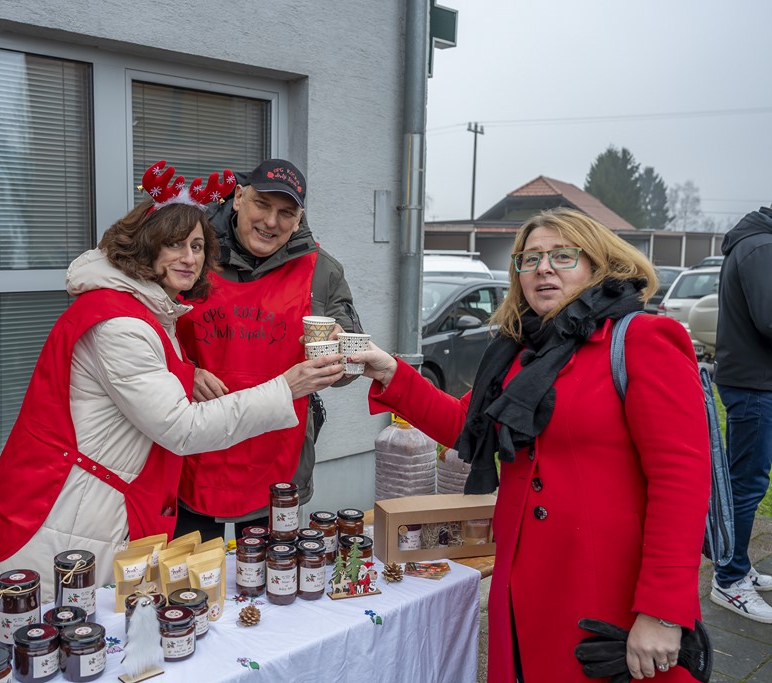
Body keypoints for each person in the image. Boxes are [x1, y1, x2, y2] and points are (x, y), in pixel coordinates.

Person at [0, 161, 344, 621]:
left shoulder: (144, 305)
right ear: (239, 200)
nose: (189, 258)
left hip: (118, 499)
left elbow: (147, 375)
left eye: (197, 247)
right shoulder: (121, 321)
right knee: (50, 633)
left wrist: (187, 374)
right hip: (68, 512)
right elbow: (178, 424)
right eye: (175, 245)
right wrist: (285, 387)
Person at [350, 208, 710, 682]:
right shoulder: (522, 350)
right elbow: (470, 426)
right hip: (525, 585)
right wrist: (394, 373)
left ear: (598, 264)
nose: (543, 268)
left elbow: (681, 482)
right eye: (530, 258)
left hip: (605, 592)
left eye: (563, 255)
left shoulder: (641, 340)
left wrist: (663, 612)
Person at [173, 158, 362, 538]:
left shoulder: (322, 271)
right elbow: (145, 337)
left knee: (265, 581)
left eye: (286, 213)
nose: (271, 222)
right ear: (239, 198)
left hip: (278, 455)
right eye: (262, 204)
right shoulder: (191, 254)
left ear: (299, 218)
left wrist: (342, 354)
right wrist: (183, 373)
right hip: (194, 451)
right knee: (189, 584)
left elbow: (350, 367)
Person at [709, 204, 772, 623]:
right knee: (746, 483)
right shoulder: (761, 246)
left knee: (743, 481)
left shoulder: (754, 243)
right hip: (755, 384)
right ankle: (728, 580)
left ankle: (735, 560)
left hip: (753, 381)